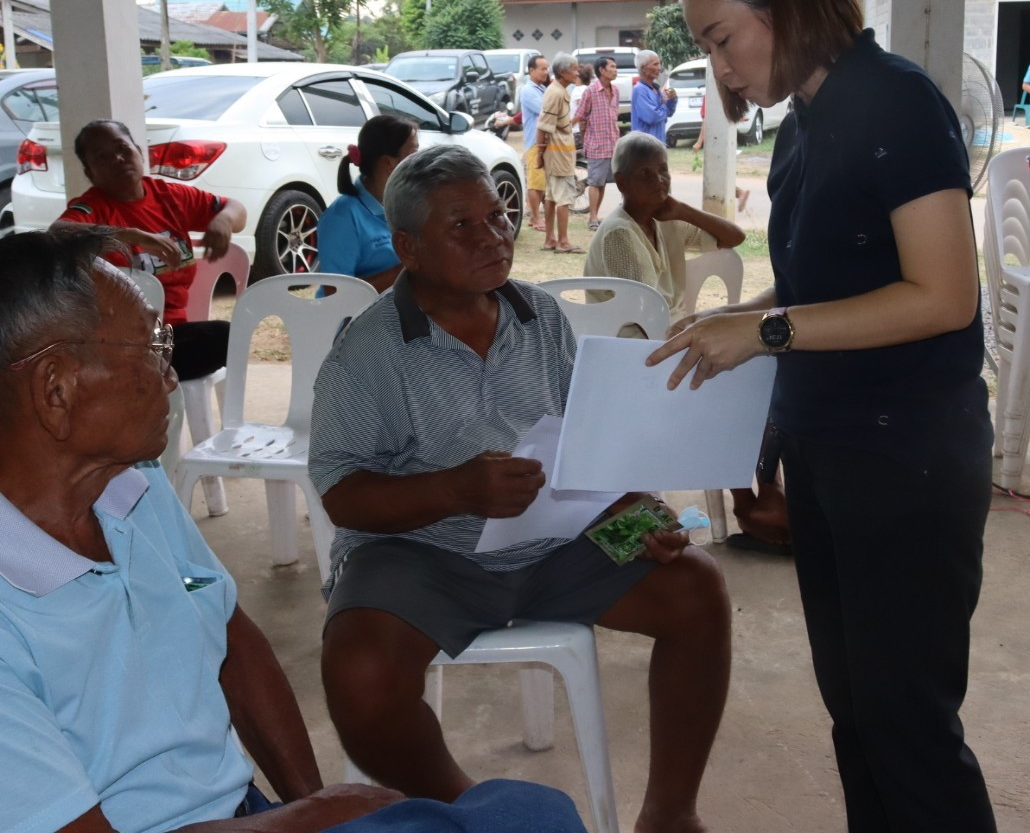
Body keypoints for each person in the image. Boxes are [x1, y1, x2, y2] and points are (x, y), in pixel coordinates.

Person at [0, 227, 588, 833]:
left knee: (533, 812)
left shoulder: (131, 486)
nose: (171, 373)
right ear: (57, 389)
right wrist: (302, 821)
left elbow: (231, 636)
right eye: (151, 345)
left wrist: (311, 805)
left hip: (244, 815)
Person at [648, 0, 997, 831]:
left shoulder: (896, 103)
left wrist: (763, 330)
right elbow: (823, 285)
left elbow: (942, 296)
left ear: (787, 1)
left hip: (909, 455)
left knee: (910, 725)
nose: (719, 68)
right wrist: (743, 317)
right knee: (858, 717)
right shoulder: (806, 124)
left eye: (723, 38)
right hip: (834, 447)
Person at [310, 145, 731, 833]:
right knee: (359, 674)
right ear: (409, 248)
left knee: (695, 586)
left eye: (500, 216)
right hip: (424, 552)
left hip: (554, 540)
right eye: (464, 227)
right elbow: (342, 494)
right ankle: (479, 810)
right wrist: (453, 490)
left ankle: (669, 814)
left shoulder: (538, 317)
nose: (496, 236)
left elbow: (590, 441)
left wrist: (638, 505)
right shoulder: (368, 350)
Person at [55, 118, 246, 384]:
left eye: (123, 148)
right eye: (102, 157)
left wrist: (223, 220)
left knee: (232, 336)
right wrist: (129, 235)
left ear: (138, 151)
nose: (118, 159)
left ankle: (148, 383)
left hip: (168, 336)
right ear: (90, 172)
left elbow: (236, 209)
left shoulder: (169, 196)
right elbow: (58, 232)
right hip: (118, 343)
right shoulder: (93, 208)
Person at [584, 131, 744, 327]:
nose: (658, 180)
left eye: (663, 170)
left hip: (667, 330)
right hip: (631, 341)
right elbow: (644, 315)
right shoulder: (619, 232)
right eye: (644, 173)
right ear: (621, 182)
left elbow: (734, 237)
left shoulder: (666, 220)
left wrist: (684, 211)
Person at [316, 114, 418, 292]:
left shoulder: (409, 203)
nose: (420, 162)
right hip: (357, 318)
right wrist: (407, 270)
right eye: (413, 154)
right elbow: (335, 293)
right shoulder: (342, 217)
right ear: (388, 162)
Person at [536, 53, 584, 253]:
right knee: (562, 198)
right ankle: (562, 242)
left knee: (552, 197)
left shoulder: (559, 91)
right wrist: (539, 155)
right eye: (574, 69)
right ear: (563, 72)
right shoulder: (555, 92)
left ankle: (550, 240)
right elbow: (543, 126)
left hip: (559, 154)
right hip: (558, 155)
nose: (577, 72)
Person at [573, 56, 621, 230]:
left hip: (612, 144)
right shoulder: (591, 91)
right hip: (596, 144)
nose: (616, 70)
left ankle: (596, 214)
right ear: (602, 70)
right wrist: (585, 138)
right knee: (595, 182)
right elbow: (580, 116)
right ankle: (592, 218)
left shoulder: (615, 91)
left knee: (603, 183)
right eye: (612, 67)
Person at [520, 54, 550, 231]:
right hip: (534, 142)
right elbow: (545, 110)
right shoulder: (528, 90)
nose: (546, 72)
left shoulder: (541, 89)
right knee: (535, 181)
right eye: (542, 69)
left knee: (541, 182)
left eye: (547, 69)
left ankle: (535, 216)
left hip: (544, 142)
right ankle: (535, 217)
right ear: (532, 70)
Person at [630, 50, 677, 141]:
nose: (659, 68)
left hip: (658, 142)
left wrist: (672, 99)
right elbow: (652, 117)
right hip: (644, 145)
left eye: (659, 64)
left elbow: (668, 113)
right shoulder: (639, 90)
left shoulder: (656, 89)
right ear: (643, 68)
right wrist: (664, 105)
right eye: (655, 64)